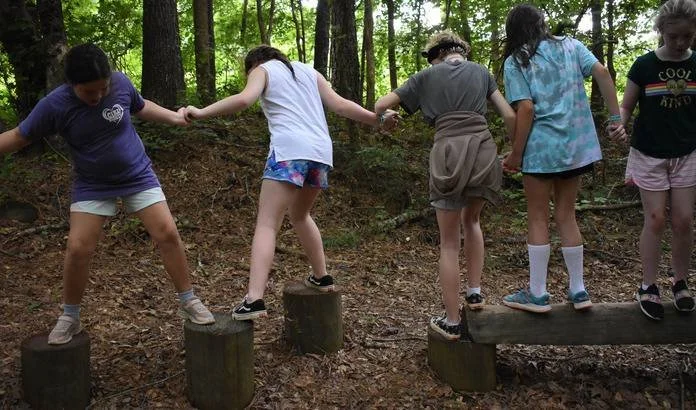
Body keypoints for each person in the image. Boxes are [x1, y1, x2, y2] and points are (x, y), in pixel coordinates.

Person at [0, 44, 215, 345]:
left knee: (167, 233)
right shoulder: (54, 105)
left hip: (137, 174)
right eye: (90, 92)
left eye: (103, 89)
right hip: (92, 183)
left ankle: (189, 300)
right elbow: (20, 136)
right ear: (72, 84)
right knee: (78, 248)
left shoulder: (121, 83)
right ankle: (70, 316)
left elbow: (141, 106)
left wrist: (175, 118)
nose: (98, 96)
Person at [185, 45, 398, 320]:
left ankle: (254, 299)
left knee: (267, 223)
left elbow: (243, 100)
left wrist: (201, 112)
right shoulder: (309, 72)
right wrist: (377, 119)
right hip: (320, 153)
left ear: (254, 64)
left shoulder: (262, 70)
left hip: (289, 151)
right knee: (300, 215)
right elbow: (341, 105)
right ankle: (321, 277)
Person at [375, 31, 516, 341]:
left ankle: (452, 321)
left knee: (449, 242)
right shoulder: (481, 72)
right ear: (461, 52)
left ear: (436, 54)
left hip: (448, 153)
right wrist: (515, 151)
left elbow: (381, 104)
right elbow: (508, 114)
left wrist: (387, 116)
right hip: (482, 150)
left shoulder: (426, 75)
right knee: (473, 221)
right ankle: (475, 293)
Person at [501, 4, 626, 313]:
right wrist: (615, 118)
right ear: (541, 24)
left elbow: (526, 109)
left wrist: (516, 153)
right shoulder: (571, 46)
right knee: (567, 216)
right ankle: (579, 290)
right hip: (575, 148)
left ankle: (538, 294)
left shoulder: (516, 60)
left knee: (538, 217)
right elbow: (602, 72)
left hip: (541, 150)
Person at [619, 0, 696, 320]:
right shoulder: (644, 65)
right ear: (661, 31)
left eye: (688, 36)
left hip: (687, 152)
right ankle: (648, 286)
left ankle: (681, 282)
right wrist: (618, 125)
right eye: (674, 36)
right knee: (655, 220)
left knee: (683, 220)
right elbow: (626, 107)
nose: (680, 43)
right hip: (649, 153)